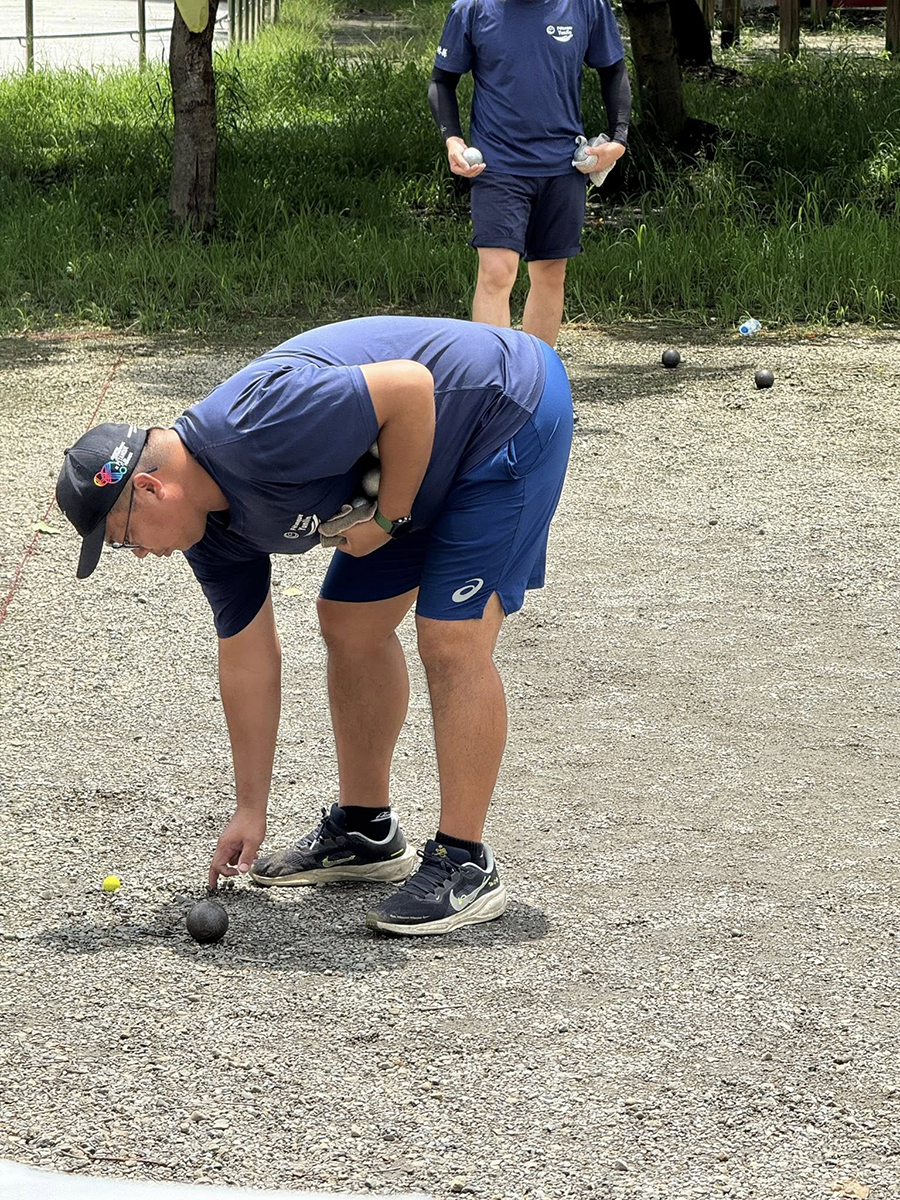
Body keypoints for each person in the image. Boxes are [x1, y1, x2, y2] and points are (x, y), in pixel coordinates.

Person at [55, 316, 573, 936]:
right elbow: (248, 657)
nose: (138, 553)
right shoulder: (208, 531)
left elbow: (410, 388)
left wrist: (387, 520)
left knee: (450, 635)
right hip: (420, 458)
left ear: (150, 487)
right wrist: (251, 808)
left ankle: (466, 862)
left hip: (505, 410)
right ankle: (366, 830)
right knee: (349, 622)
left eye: (123, 537)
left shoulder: (257, 428)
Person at [428, 0, 631, 347]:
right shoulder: (472, 8)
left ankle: (537, 375)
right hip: (497, 165)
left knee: (551, 273)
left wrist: (618, 139)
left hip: (563, 165)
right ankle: (494, 375)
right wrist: (453, 139)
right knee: (496, 273)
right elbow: (442, 80)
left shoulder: (586, 6)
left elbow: (613, 69)